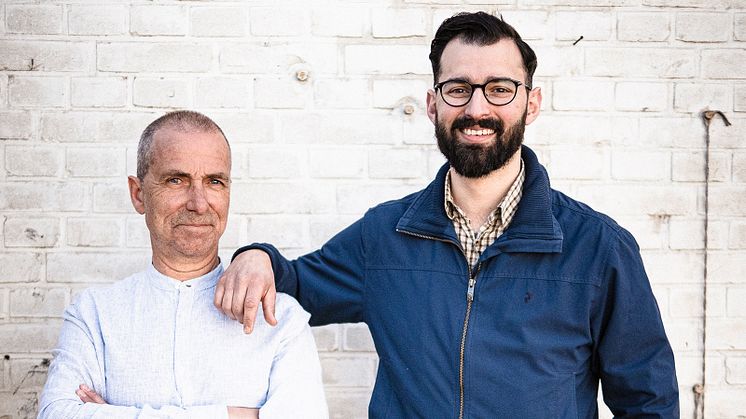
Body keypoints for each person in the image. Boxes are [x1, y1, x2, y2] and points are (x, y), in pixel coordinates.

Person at [215, 12, 680, 418]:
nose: (477, 109)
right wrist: (256, 256)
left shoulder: (598, 249)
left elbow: (648, 403)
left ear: (531, 104)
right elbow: (292, 286)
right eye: (458, 89)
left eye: (499, 89)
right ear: (434, 104)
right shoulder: (384, 236)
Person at [38, 111, 328, 419]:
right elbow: (56, 414)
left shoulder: (281, 319)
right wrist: (239, 415)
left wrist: (115, 414)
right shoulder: (94, 313)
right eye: (176, 180)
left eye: (214, 182)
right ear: (139, 195)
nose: (199, 203)